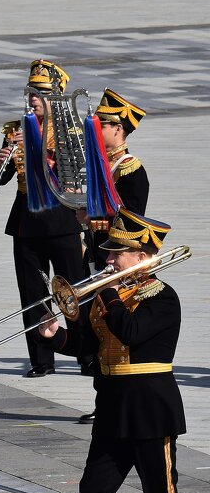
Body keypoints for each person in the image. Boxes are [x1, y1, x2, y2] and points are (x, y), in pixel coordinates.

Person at [33, 210, 193, 493]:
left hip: (150, 407)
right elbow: (89, 347)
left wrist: (106, 292)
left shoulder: (161, 296)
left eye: (117, 254)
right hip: (112, 407)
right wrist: (56, 337)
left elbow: (133, 333)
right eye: (109, 253)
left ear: (142, 257)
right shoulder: (109, 297)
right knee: (94, 491)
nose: (108, 260)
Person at [0, 59, 87, 377]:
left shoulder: (70, 132)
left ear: (55, 95)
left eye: (40, 92)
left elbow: (75, 176)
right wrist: (0, 162)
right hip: (26, 222)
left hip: (61, 221)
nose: (33, 97)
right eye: (31, 91)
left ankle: (85, 352)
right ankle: (42, 358)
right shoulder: (16, 131)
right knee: (32, 291)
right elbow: (0, 179)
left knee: (75, 289)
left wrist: (37, 154)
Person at [77, 89, 149, 424]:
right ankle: (103, 398)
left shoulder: (131, 170)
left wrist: (95, 218)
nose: (96, 132)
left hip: (119, 261)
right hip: (96, 253)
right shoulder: (101, 167)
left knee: (114, 327)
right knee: (96, 329)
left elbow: (133, 222)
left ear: (118, 129)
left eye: (101, 126)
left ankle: (120, 398)